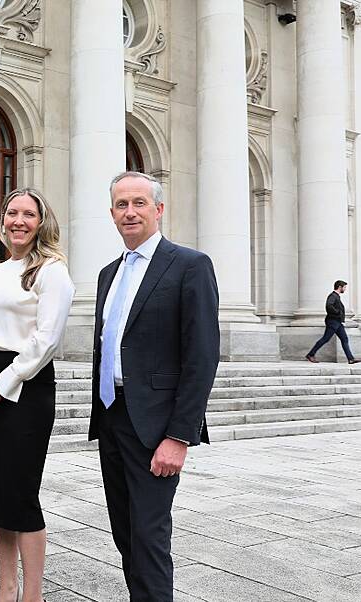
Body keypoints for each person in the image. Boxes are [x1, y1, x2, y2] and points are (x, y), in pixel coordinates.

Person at [89, 171, 219, 601]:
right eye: (121, 205)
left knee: (149, 536)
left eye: (139, 203)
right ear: (112, 214)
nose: (130, 212)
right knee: (125, 532)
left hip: (157, 426)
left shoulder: (189, 265)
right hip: (113, 418)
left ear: (158, 209)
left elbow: (201, 357)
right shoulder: (109, 273)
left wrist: (179, 436)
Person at [0, 188, 75, 602]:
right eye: (12, 212)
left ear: (41, 222)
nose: (19, 221)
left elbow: (45, 342)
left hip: (26, 387)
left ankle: (33, 595)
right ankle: (5, 588)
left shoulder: (52, 272)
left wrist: (3, 383)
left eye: (28, 214)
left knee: (21, 493)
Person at [305, 280, 361, 364]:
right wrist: (338, 313)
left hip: (338, 322)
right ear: (340, 287)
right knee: (325, 338)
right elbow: (329, 305)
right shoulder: (333, 296)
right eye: (344, 287)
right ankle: (310, 354)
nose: (345, 289)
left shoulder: (337, 296)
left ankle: (351, 359)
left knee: (344, 339)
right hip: (333, 321)